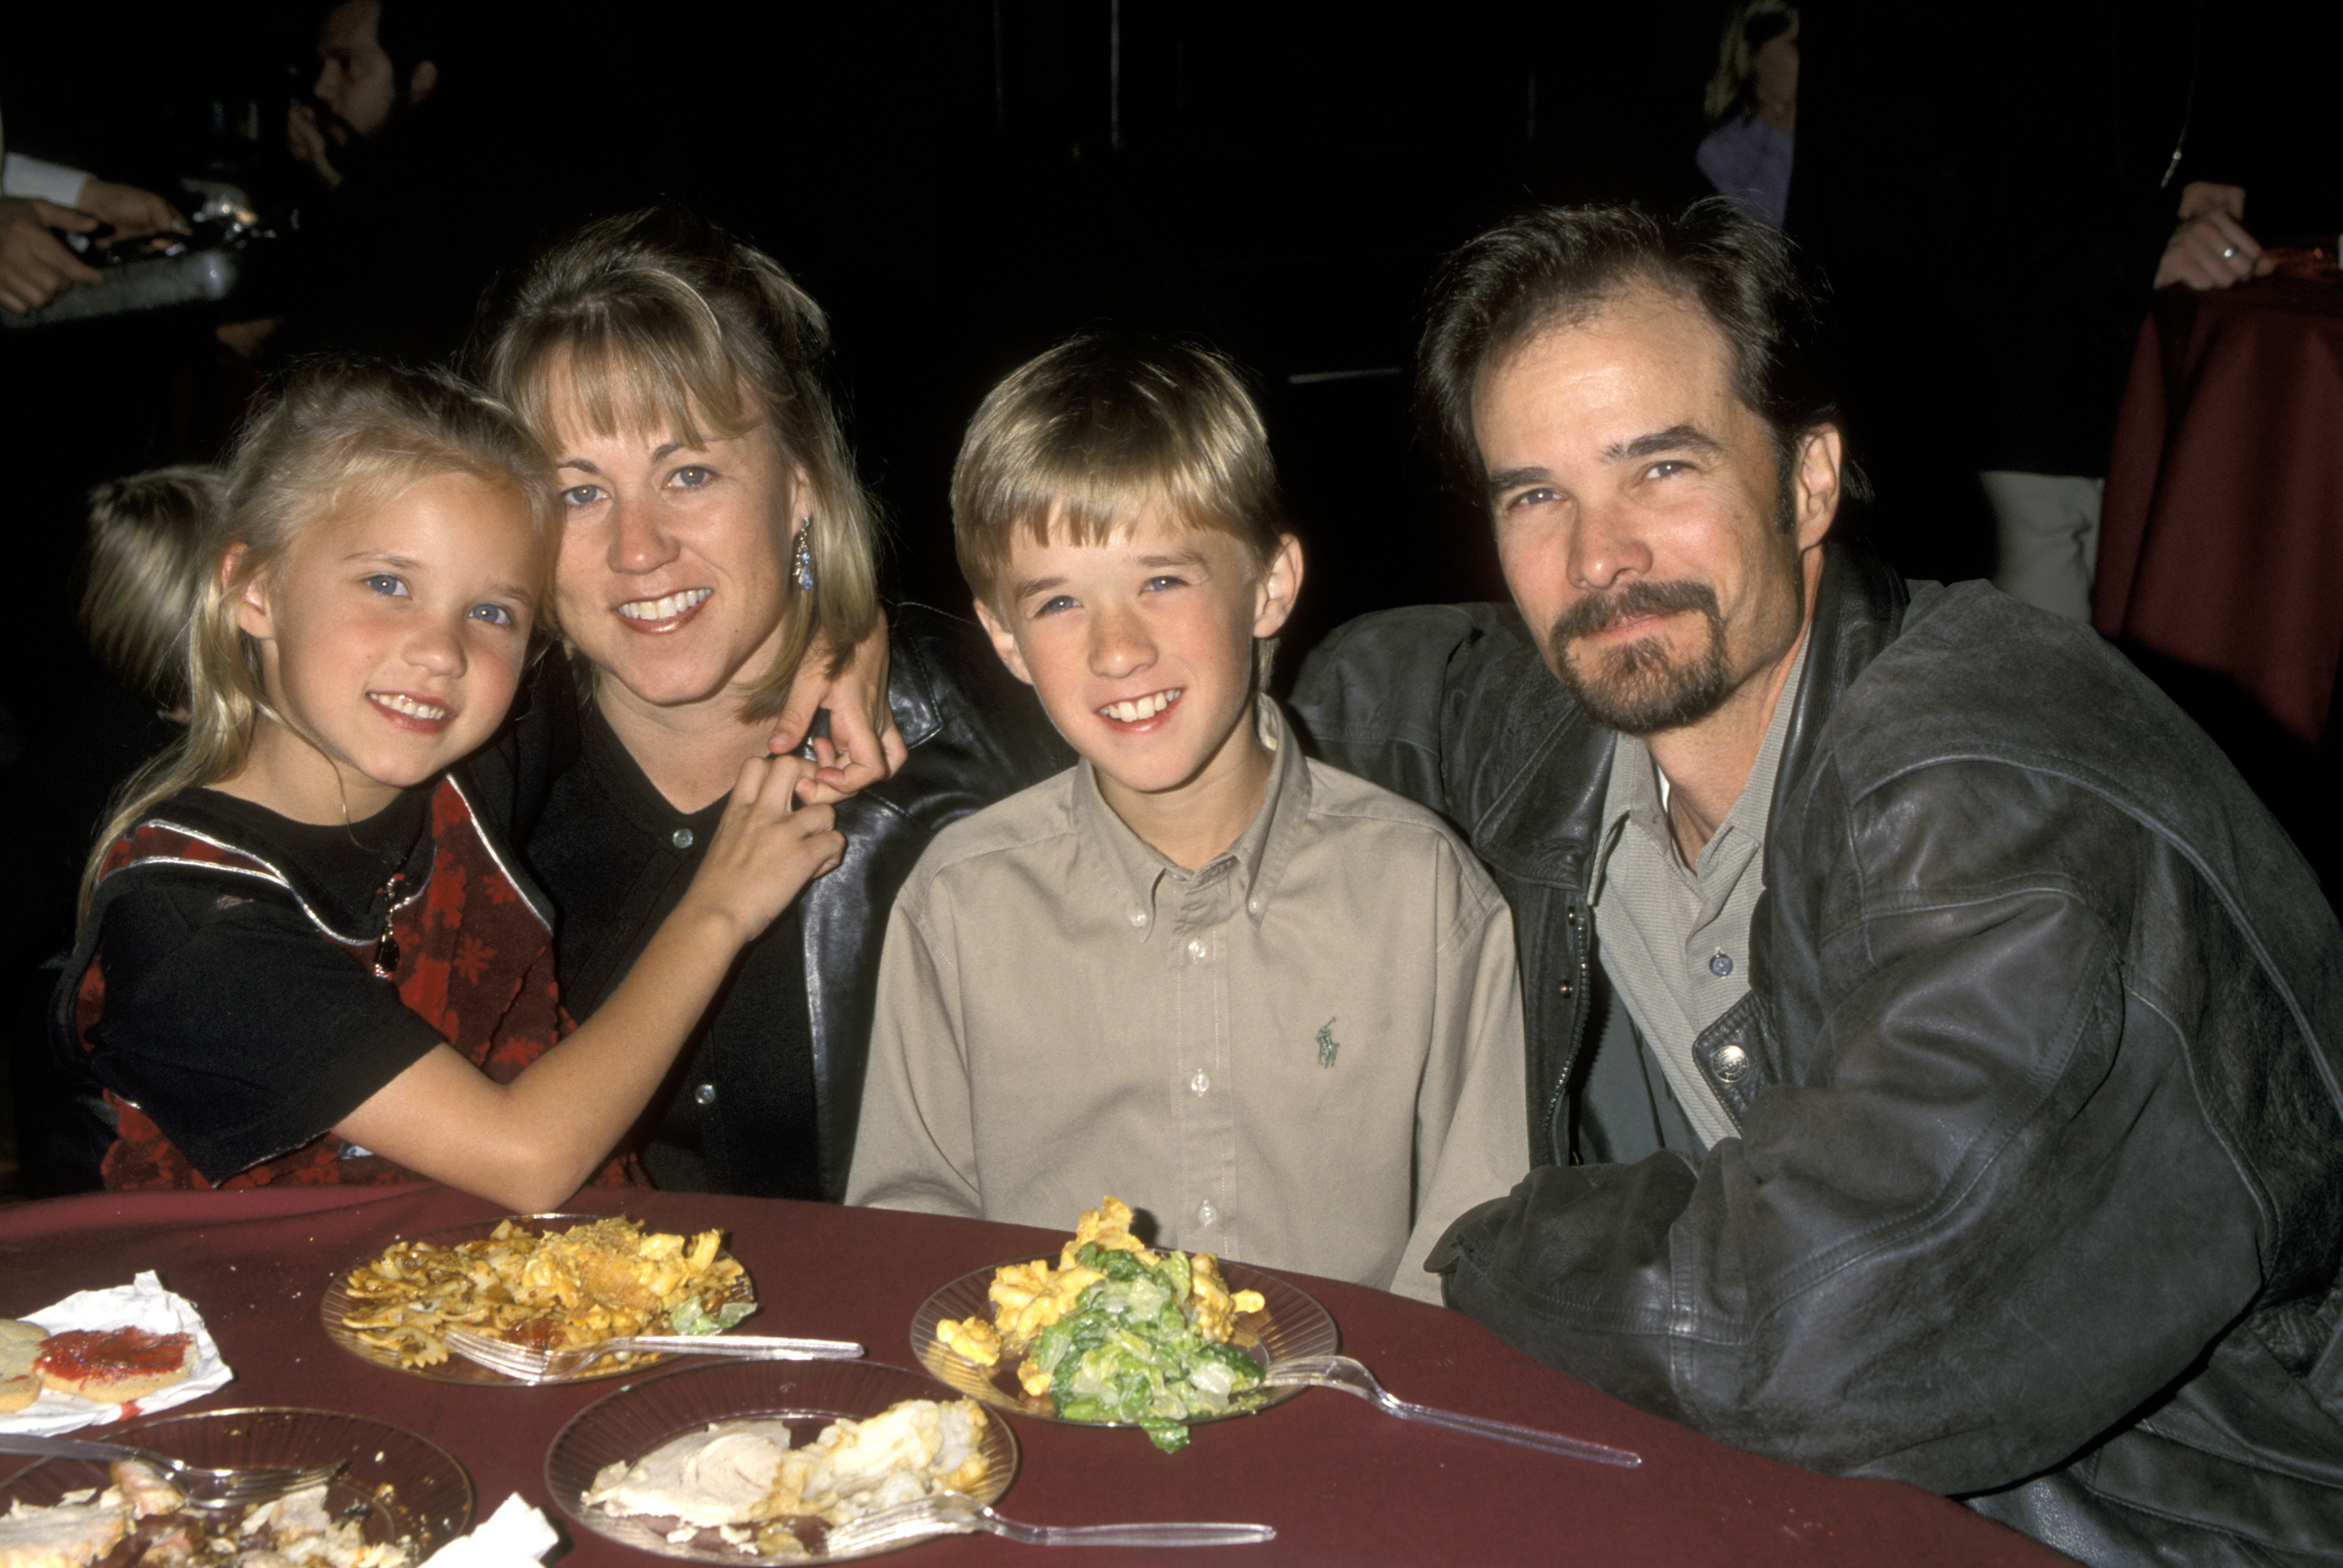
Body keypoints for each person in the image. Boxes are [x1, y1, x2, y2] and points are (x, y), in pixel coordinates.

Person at [1287, 200, 2343, 1561]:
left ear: (1808, 482)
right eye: (1536, 495)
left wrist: (1474, 1240)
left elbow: (1825, 1329)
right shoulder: (1559, 723)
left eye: (1662, 469)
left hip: (2156, 1520)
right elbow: (1330, 687)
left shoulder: (1994, 791)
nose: (1599, 558)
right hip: (1808, 1501)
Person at [42, 360, 843, 1208]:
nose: (442, 651)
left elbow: (676, 623)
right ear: (256, 589)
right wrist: (719, 908)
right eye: (388, 584)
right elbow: (526, 1158)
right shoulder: (186, 920)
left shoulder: (469, 761)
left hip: (555, 1278)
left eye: (492, 612)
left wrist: (845, 644)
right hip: (283, 1292)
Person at [847, 334, 1528, 1303]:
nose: (1117, 648)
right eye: (1059, 602)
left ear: (1269, 585)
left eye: (1162, 580)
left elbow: (1477, 1239)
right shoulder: (958, 903)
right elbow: (911, 1229)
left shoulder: (1422, 892)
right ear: (1005, 636)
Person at [467, 206, 1069, 1201]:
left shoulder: (997, 738)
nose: (638, 548)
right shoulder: (466, 786)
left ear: (800, 487)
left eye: (689, 473)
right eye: (579, 493)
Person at [1694, 1, 1797, 230]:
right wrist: (1784, 126)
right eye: (1796, 44)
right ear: (1753, 54)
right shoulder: (1721, 150)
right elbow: (1764, 229)